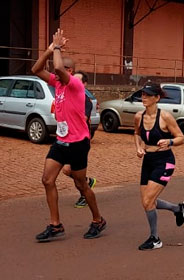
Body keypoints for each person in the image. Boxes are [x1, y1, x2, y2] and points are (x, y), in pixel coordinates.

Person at [31, 28, 106, 241]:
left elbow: (56, 66)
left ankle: (98, 220)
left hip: (79, 143)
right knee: (47, 180)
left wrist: (57, 48)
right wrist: (48, 50)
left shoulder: (74, 85)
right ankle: (55, 225)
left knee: (81, 184)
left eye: (62, 70)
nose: (56, 73)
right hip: (62, 141)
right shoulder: (58, 85)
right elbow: (36, 69)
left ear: (70, 71)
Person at [134, 82, 184, 250]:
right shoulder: (139, 116)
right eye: (142, 94)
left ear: (157, 98)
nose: (144, 97)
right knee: (146, 202)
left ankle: (155, 238)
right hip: (148, 160)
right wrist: (138, 147)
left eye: (148, 95)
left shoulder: (165, 117)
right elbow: (136, 133)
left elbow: (181, 137)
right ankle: (177, 209)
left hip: (165, 161)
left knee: (149, 200)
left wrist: (170, 141)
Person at [60, 70, 98, 208]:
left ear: (84, 84)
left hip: (80, 140)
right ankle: (86, 183)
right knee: (68, 170)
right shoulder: (67, 96)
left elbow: (83, 119)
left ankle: (85, 189)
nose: (73, 83)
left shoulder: (85, 100)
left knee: (69, 170)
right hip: (67, 138)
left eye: (77, 81)